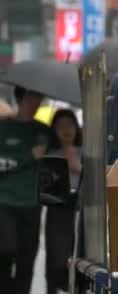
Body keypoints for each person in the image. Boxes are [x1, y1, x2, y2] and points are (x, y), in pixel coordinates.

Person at [0, 86, 48, 294]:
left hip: (32, 203)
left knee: (27, 257)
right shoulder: (3, 128)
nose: (35, 104)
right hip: (5, 201)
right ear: (20, 99)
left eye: (39, 99)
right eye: (31, 99)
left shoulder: (43, 131)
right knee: (5, 250)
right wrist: (28, 156)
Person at [45, 109, 82, 294]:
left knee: (80, 260)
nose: (66, 130)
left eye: (70, 125)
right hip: (59, 212)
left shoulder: (87, 152)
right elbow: (47, 191)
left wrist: (76, 166)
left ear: (77, 128)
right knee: (56, 260)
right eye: (61, 126)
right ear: (55, 131)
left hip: (81, 211)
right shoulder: (51, 154)